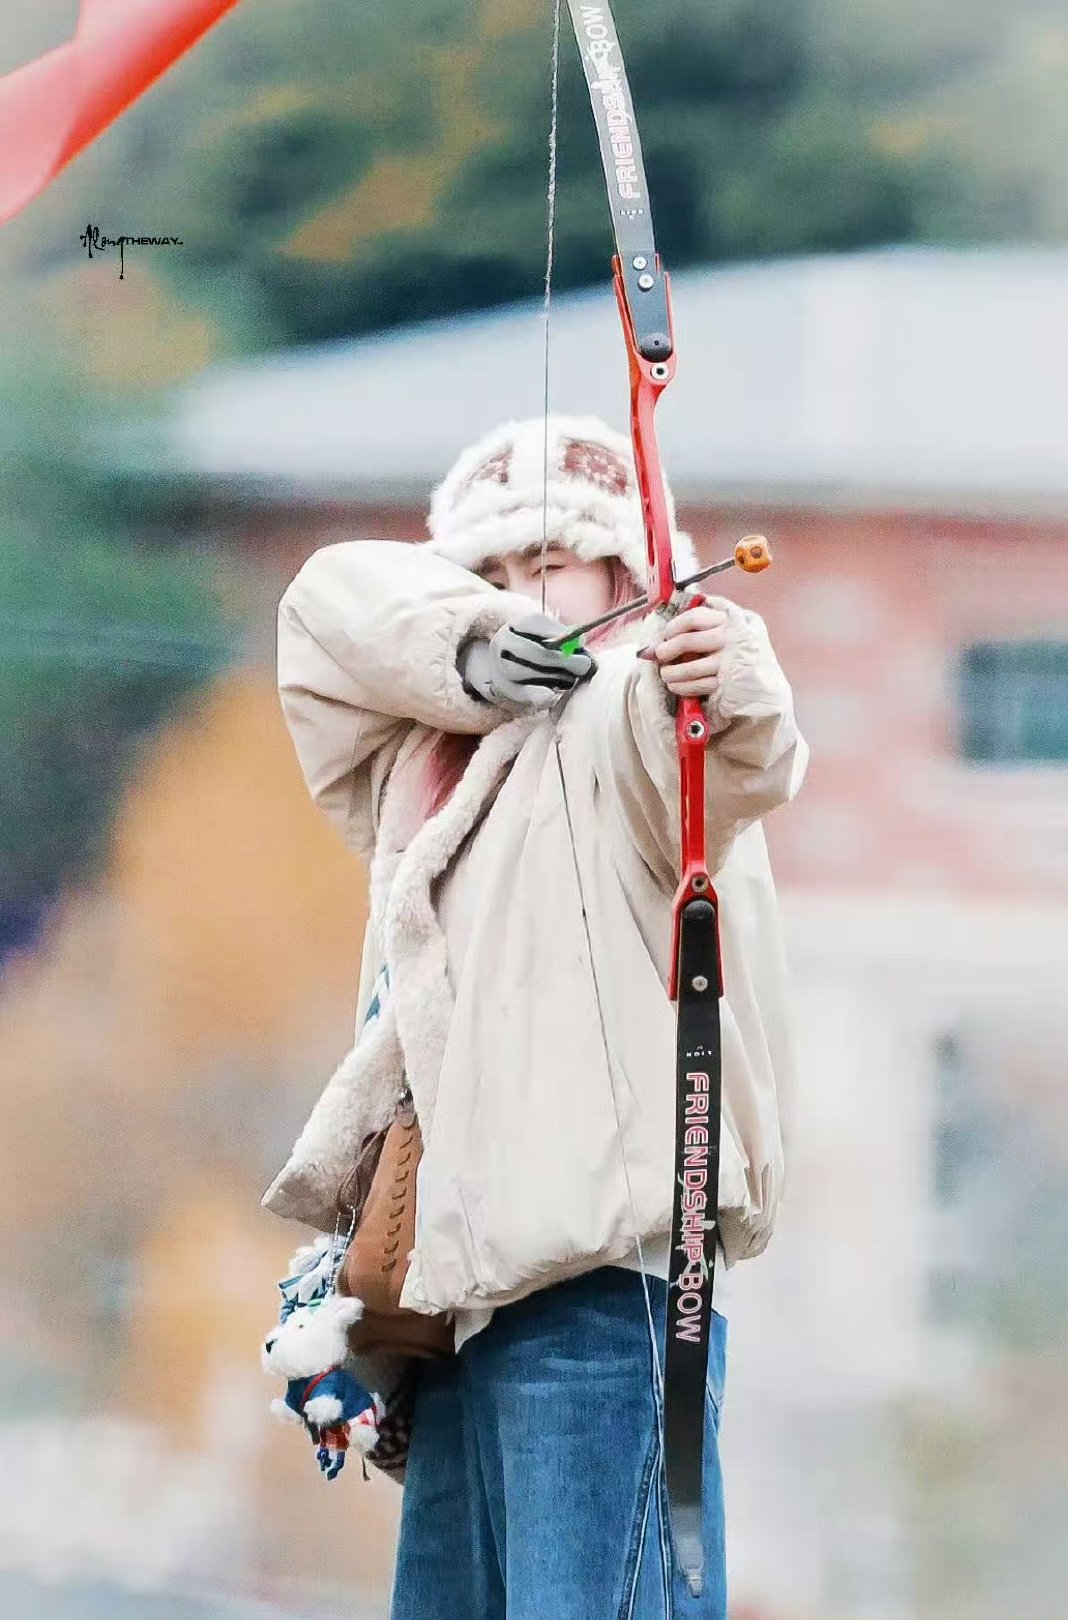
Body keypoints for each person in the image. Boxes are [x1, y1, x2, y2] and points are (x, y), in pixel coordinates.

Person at [263, 415, 808, 1620]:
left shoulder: (635, 706)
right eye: (490, 571)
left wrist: (719, 666)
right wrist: (469, 646)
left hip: (604, 1299)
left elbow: (736, 753)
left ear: (627, 571)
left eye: (550, 561)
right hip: (458, 1313)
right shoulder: (436, 754)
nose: (523, 593)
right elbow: (322, 610)